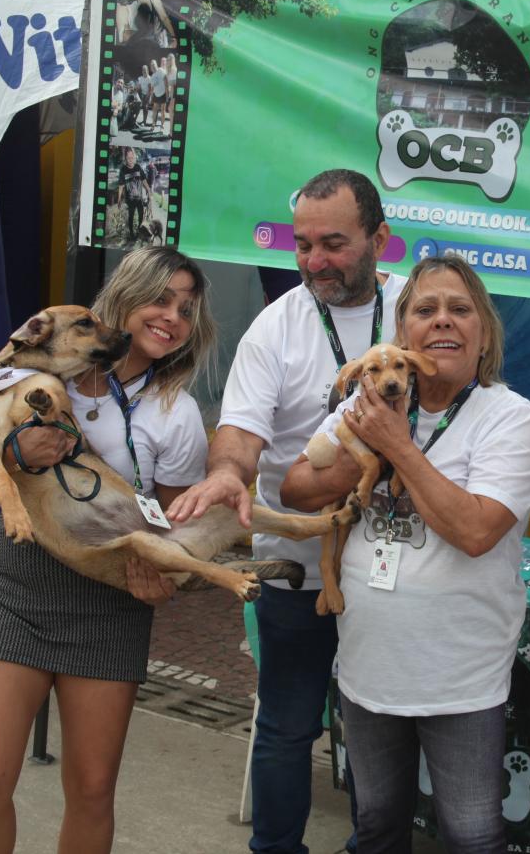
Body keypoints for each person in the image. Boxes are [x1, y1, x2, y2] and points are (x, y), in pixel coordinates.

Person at [167, 168, 407, 854]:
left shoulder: (420, 307)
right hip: (299, 568)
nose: (313, 261)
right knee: (287, 724)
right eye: (302, 244)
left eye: (333, 243)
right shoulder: (278, 325)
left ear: (379, 239)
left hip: (397, 566)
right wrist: (225, 475)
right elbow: (241, 432)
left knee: (384, 731)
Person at [0, 246, 217, 854]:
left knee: (92, 789)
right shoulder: (31, 363)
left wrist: (164, 576)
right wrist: (15, 455)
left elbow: (171, 524)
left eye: (186, 308)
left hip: (108, 600)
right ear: (123, 297)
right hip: (19, 583)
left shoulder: (177, 413)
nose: (172, 317)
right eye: (159, 298)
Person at [279, 254, 530, 853]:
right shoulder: (371, 404)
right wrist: (365, 450)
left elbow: (475, 531)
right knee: (375, 827)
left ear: (484, 333)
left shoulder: (509, 416)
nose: (443, 322)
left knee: (472, 834)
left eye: (460, 309)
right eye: (425, 310)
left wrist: (398, 449)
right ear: (404, 336)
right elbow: (295, 489)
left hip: (460, 678)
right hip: (368, 668)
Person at [115, 146, 154, 239]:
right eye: (128, 158)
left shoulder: (138, 167)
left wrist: (148, 190)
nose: (130, 160)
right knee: (131, 216)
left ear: (134, 157)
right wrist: (119, 199)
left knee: (141, 215)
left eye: (132, 158)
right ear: (125, 158)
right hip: (130, 199)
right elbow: (121, 186)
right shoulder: (123, 170)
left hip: (139, 197)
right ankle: (132, 233)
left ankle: (139, 231)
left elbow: (144, 180)